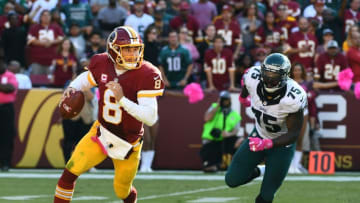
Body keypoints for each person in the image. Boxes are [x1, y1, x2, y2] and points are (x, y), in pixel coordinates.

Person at [53, 26, 164, 203]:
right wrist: (72, 88)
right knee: (70, 172)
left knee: (122, 191)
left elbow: (150, 117)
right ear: (113, 50)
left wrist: (122, 100)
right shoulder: (102, 62)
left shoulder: (147, 73)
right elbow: (85, 79)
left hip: (129, 143)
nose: (132, 54)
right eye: (127, 49)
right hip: (101, 133)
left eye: (135, 49)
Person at [226, 53, 307, 203]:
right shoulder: (253, 75)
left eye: (274, 74)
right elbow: (246, 83)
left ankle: (271, 170)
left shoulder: (293, 97)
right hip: (259, 134)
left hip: (282, 144)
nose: (269, 78)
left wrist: (269, 144)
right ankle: (262, 170)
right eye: (267, 73)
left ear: (284, 76)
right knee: (232, 180)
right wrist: (243, 97)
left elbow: (294, 134)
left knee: (265, 197)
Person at [200, 91, 241, 172]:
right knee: (210, 167)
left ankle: (232, 164)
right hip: (211, 139)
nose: (225, 102)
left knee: (240, 141)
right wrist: (218, 105)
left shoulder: (235, 115)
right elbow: (206, 118)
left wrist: (228, 134)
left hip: (225, 140)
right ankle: (212, 164)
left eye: (226, 100)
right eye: (223, 100)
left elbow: (236, 130)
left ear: (230, 101)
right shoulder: (214, 107)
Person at [0, 57, 18, 172]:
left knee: (7, 136)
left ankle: (5, 162)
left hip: (6, 108)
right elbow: (5, 88)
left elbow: (10, 88)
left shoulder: (10, 75)